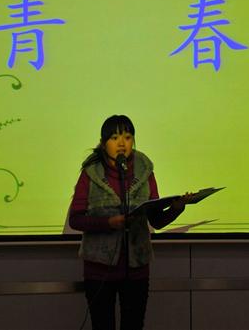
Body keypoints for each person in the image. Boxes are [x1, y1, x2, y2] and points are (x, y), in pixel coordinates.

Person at [69, 115, 191, 330]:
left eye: (127, 137)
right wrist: (108, 222)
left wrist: (177, 208)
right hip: (99, 270)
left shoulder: (145, 172)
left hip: (136, 270)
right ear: (103, 142)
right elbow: (76, 219)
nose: (122, 143)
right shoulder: (90, 174)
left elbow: (156, 221)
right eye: (115, 138)